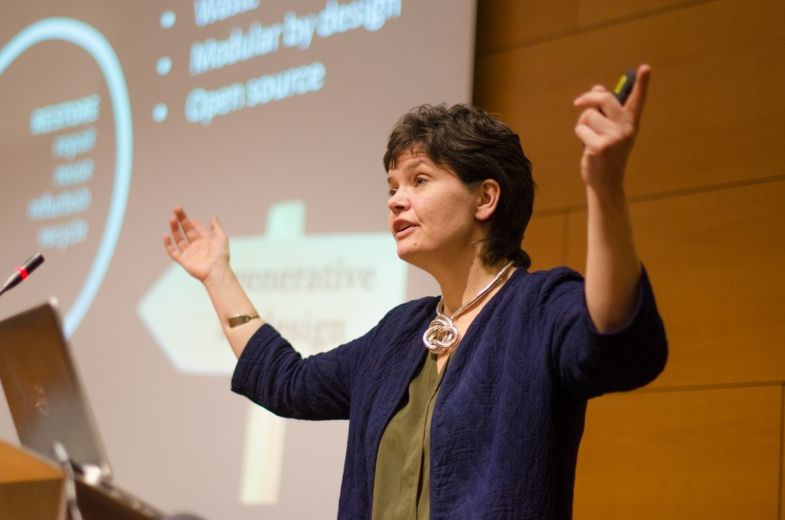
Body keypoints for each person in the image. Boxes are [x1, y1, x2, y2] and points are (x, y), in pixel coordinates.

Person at [163, 64, 667, 519]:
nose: (396, 201)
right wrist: (217, 276)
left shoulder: (536, 307)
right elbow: (288, 381)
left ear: (485, 198)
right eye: (392, 188)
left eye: (419, 180)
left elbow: (615, 339)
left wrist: (604, 183)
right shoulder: (400, 333)